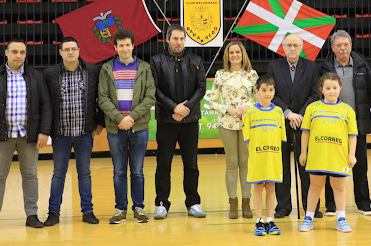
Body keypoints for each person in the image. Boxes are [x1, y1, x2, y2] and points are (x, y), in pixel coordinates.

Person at [0, 37, 51, 232]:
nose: (19, 56)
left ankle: (32, 215)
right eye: (15, 52)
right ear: (6, 53)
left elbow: (45, 105)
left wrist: (44, 131)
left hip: (29, 135)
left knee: (30, 175)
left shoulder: (36, 76)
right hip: (2, 136)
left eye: (22, 52)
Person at [42, 37, 103, 226]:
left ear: (79, 50)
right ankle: (53, 213)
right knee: (58, 173)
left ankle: (88, 211)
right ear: (60, 52)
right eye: (66, 49)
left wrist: (100, 123)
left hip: (84, 133)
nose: (70, 52)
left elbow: (101, 97)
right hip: (61, 134)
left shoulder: (92, 71)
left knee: (84, 173)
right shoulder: (50, 74)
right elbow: (45, 104)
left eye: (73, 49)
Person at [98, 28, 156, 224]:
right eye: (120, 45)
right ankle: (120, 209)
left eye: (127, 45)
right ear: (115, 47)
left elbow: (150, 97)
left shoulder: (144, 68)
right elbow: (103, 98)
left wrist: (131, 117)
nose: (124, 48)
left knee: (138, 170)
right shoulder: (106, 69)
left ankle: (138, 208)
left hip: (138, 127)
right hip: (115, 128)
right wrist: (119, 119)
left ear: (133, 45)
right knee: (119, 171)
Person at [150, 25, 207, 219]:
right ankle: (161, 204)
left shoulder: (196, 60)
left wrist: (186, 108)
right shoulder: (156, 61)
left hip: (190, 121)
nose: (179, 42)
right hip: (166, 120)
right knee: (163, 164)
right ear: (167, 40)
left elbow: (201, 88)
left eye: (182, 39)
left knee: (191, 164)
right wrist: (174, 108)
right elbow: (155, 89)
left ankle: (193, 203)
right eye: (175, 38)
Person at [319, 30, 371, 216]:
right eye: (339, 45)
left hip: (356, 124)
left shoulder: (361, 65)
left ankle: (363, 204)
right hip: (331, 125)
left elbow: (370, 90)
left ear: (351, 46)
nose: (343, 48)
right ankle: (331, 205)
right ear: (333, 47)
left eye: (346, 44)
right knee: (331, 165)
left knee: (359, 164)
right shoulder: (325, 68)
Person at [267, 33, 321, 218]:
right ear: (283, 47)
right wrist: (288, 113)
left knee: (306, 164)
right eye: (289, 45)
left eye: (296, 45)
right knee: (281, 165)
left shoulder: (312, 67)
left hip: (304, 123)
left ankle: (311, 206)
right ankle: (283, 206)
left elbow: (315, 94)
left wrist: (301, 115)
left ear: (301, 47)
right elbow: (271, 94)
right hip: (281, 122)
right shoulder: (274, 66)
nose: (292, 48)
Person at [298, 72, 357, 233]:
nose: (332, 91)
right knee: (315, 186)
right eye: (328, 88)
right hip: (318, 155)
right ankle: (308, 217)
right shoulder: (312, 108)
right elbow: (305, 132)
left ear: (340, 88)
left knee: (338, 186)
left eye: (335, 88)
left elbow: (352, 135)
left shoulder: (347, 110)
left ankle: (341, 219)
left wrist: (351, 155)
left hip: (338, 156)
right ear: (321, 89)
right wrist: (303, 153)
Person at [209, 41, 258, 219]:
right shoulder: (220, 75)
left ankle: (246, 203)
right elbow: (212, 101)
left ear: (242, 54)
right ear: (227, 56)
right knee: (231, 163)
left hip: (247, 123)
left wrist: (248, 107)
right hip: (227, 123)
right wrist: (227, 109)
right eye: (231, 53)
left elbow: (258, 99)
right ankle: (232, 203)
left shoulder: (252, 75)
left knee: (245, 163)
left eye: (238, 52)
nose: (235, 55)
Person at [242, 75, 286, 236]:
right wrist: (255, 154)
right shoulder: (251, 113)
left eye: (270, 90)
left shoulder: (278, 112)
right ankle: (259, 220)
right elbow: (247, 140)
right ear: (257, 92)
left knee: (271, 188)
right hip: (257, 158)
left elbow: (281, 138)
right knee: (258, 188)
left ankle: (270, 220)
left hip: (273, 158)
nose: (267, 93)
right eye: (264, 90)